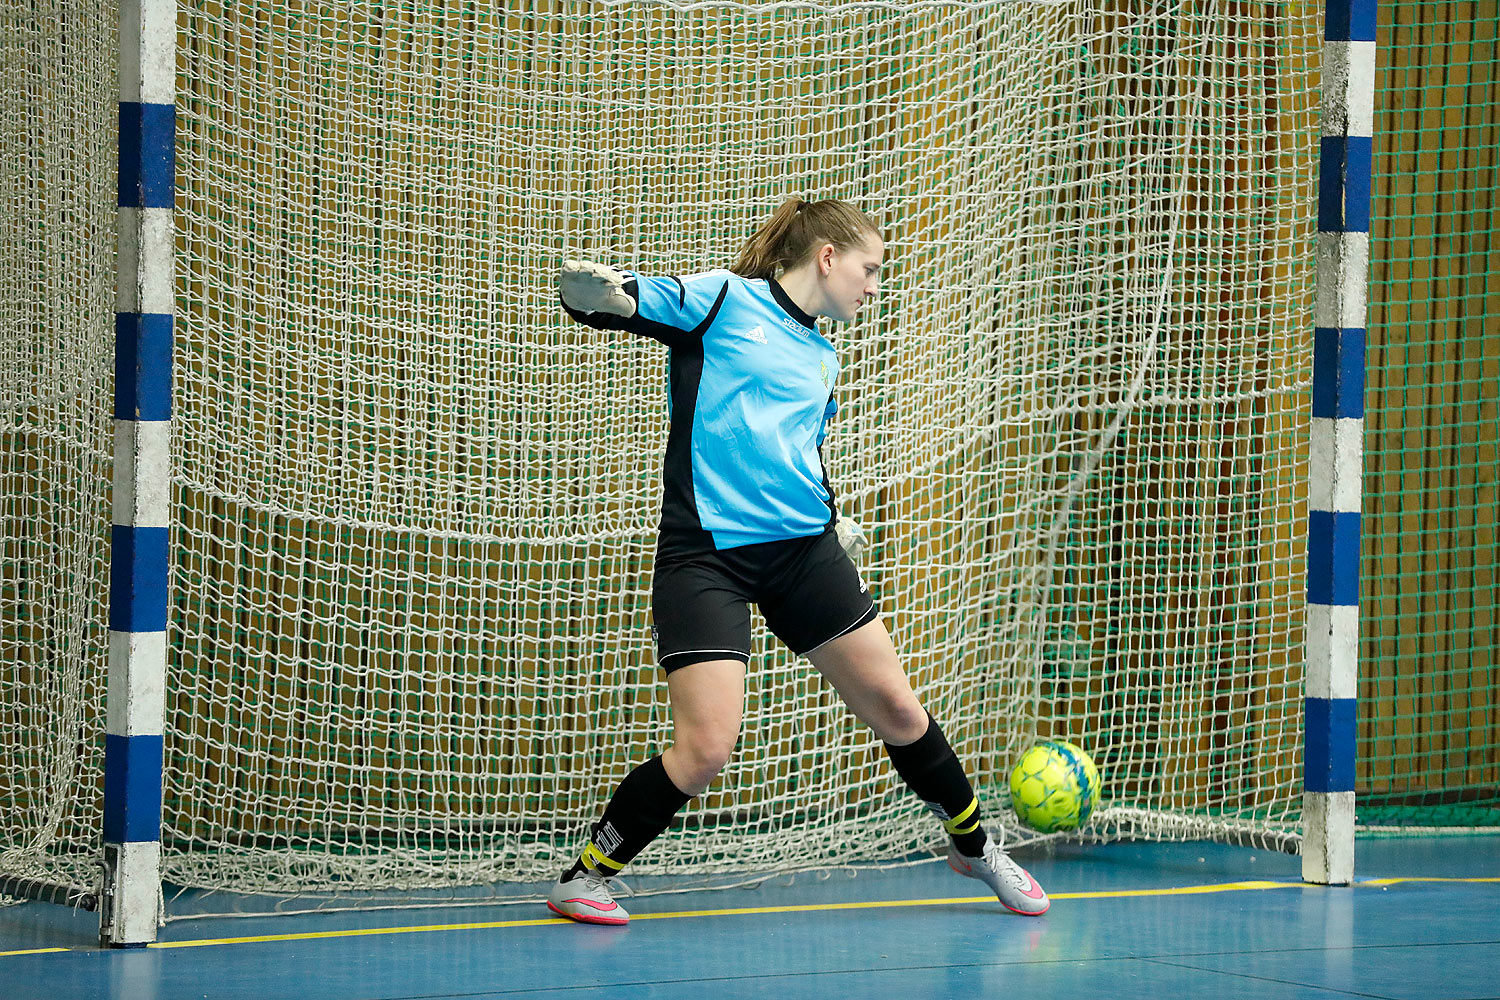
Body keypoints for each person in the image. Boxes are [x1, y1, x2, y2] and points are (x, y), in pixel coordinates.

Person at [547, 196, 1048, 925]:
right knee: (706, 748)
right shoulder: (722, 300)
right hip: (707, 555)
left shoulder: (822, 353)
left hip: (801, 555)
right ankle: (585, 876)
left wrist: (831, 513)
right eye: (870, 268)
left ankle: (973, 847)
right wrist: (594, 297)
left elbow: (795, 450)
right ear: (828, 257)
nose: (875, 285)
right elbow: (616, 301)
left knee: (900, 710)